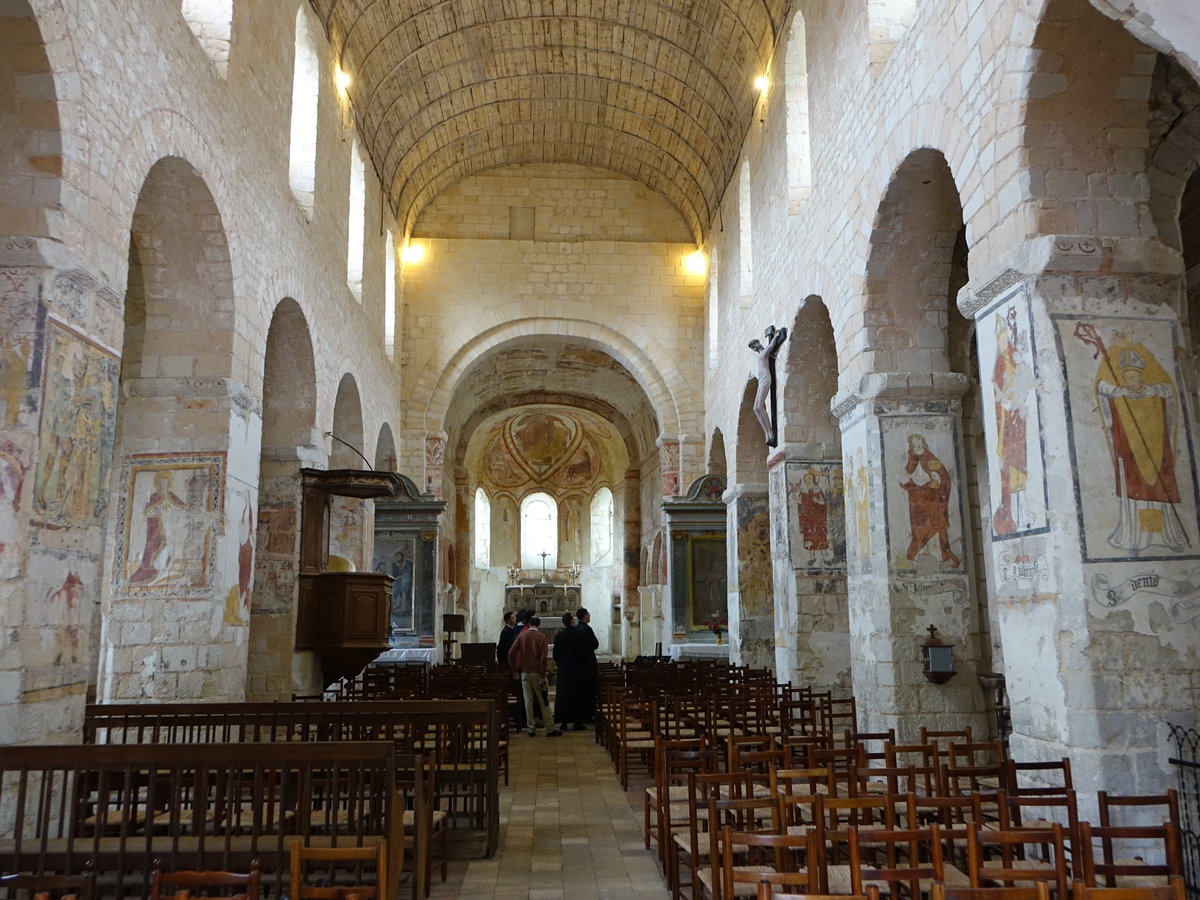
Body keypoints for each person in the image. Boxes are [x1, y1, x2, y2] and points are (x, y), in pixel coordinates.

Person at [898, 433, 960, 568]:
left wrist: (939, 479)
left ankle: (939, 556)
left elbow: (942, 475)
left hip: (933, 497)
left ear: (923, 440)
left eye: (919, 440)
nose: (917, 443)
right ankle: (917, 555)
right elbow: (904, 474)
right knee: (920, 527)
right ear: (911, 444)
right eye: (914, 441)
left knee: (936, 524)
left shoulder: (930, 456)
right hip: (917, 498)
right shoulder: (909, 457)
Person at [507, 615, 561, 737]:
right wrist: (542, 676)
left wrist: (514, 670)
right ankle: (550, 728)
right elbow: (543, 659)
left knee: (528, 701)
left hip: (524, 672)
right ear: (539, 625)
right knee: (543, 701)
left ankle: (531, 728)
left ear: (529, 624)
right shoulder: (542, 637)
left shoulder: (522, 635)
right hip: (537, 673)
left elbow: (510, 653)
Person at [748, 325, 788, 445]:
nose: (754, 350)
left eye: (753, 347)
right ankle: (766, 432)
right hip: (761, 380)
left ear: (756, 345)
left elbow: (771, 346)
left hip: (765, 379)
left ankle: (770, 432)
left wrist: (775, 336)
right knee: (755, 408)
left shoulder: (764, 353)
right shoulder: (762, 354)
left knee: (760, 407)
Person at [572, 607, 599, 728]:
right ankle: (588, 715)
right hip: (588, 664)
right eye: (588, 614)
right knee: (590, 691)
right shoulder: (587, 629)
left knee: (580, 691)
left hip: (578, 665)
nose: (589, 616)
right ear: (584, 616)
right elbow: (595, 644)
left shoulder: (575, 629)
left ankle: (580, 714)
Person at [552, 612, 578, 730]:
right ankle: (576, 722)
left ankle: (563, 722)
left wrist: (560, 663)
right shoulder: (578, 634)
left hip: (563, 669)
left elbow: (555, 655)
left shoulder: (559, 636)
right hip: (576, 669)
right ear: (572, 621)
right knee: (576, 694)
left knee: (563, 694)